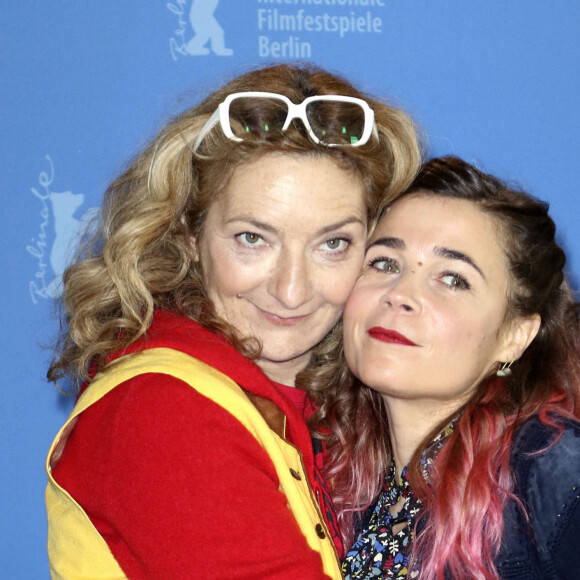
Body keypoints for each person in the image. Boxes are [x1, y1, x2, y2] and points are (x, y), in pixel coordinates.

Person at [44, 63, 421, 579]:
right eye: (252, 238)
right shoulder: (165, 410)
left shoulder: (321, 417)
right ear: (188, 235)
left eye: (333, 244)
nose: (292, 289)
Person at [324, 156, 580, 579]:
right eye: (385, 263)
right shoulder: (338, 477)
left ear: (514, 335)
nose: (399, 294)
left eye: (453, 279)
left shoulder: (552, 470)